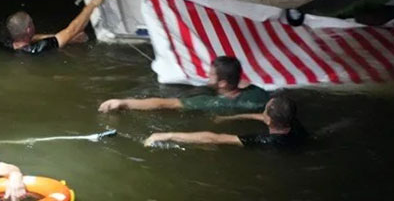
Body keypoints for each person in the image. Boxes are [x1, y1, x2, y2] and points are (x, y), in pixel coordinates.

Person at [98, 56, 269, 114]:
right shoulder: (258, 94)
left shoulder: (209, 102)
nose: (207, 77)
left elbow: (163, 103)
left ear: (223, 83)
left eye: (211, 76)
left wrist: (123, 102)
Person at [142, 95, 306, 148]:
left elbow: (214, 138)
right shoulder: (293, 124)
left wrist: (167, 135)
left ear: (269, 120)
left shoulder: (263, 140)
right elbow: (261, 117)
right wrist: (229, 117)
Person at [1, 0, 104, 55]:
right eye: (31, 23)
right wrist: (92, 4)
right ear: (28, 29)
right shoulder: (38, 49)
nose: (34, 23)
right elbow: (72, 30)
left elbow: (31, 38)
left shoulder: (5, 44)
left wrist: (58, 37)